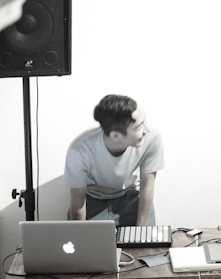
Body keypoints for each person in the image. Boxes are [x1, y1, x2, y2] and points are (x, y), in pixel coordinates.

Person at [63, 94, 165, 227]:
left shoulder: (152, 138)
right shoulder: (80, 150)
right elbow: (78, 199)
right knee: (86, 240)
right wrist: (80, 234)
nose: (147, 130)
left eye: (145, 122)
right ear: (115, 136)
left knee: (145, 239)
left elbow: (147, 186)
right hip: (93, 199)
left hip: (131, 197)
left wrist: (141, 232)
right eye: (139, 126)